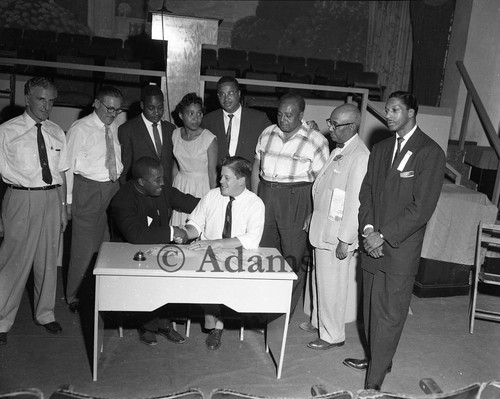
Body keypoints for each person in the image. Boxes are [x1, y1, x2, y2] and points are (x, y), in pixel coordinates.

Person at [343, 92, 445, 391]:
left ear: (412, 113)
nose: (388, 114)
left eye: (395, 110)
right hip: (372, 242)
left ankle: (373, 382)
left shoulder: (429, 152)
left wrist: (383, 235)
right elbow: (368, 193)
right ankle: (378, 358)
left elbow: (422, 207)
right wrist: (369, 228)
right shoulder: (381, 147)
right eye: (387, 109)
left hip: (399, 249)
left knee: (389, 315)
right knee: (370, 311)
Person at [0, 77, 69, 345]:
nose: (47, 106)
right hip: (20, 198)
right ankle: (2, 319)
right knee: (12, 261)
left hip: (51, 199)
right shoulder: (6, 131)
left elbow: (60, 173)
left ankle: (45, 313)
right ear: (27, 97)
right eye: (41, 99)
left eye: (51, 100)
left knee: (48, 260)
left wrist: (62, 208)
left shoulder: (56, 131)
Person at [251, 92, 329, 318]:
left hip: (297, 198)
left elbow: (322, 182)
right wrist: (256, 199)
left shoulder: (316, 140)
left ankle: (282, 314)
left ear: (301, 115)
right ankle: (262, 309)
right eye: (279, 114)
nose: (283, 119)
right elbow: (256, 166)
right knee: (263, 253)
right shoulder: (267, 133)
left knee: (293, 257)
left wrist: (314, 211)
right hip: (266, 194)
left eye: (289, 115)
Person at [110, 156, 199, 346]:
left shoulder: (162, 189)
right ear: (141, 182)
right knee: (151, 276)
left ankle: (164, 324)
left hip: (157, 249)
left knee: (173, 269)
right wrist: (174, 231)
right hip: (129, 254)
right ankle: (148, 325)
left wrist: (219, 202)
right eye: (157, 180)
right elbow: (135, 235)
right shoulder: (122, 200)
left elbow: (191, 203)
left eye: (163, 178)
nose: (163, 183)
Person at [302, 104, 369, 350]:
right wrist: (313, 213)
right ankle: (319, 321)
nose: (329, 128)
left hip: (338, 233)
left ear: (351, 127)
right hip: (323, 226)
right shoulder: (340, 149)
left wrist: (346, 238)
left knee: (333, 285)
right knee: (321, 280)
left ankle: (332, 335)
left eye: (335, 125)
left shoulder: (360, 156)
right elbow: (325, 186)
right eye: (330, 122)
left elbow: (355, 201)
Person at [180, 156, 265, 350]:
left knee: (224, 278)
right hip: (208, 253)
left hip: (239, 254)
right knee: (207, 276)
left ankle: (223, 321)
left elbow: (252, 239)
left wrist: (217, 243)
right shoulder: (211, 196)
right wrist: (184, 234)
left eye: (226, 178)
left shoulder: (255, 203)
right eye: (221, 176)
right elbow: (195, 223)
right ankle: (216, 327)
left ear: (242, 180)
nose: (220, 181)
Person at [65, 85, 124, 314]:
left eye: (117, 110)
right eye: (109, 108)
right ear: (96, 103)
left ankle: (100, 291)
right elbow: (67, 167)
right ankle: (74, 295)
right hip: (88, 189)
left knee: (106, 243)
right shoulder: (80, 129)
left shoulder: (114, 126)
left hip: (112, 187)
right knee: (83, 246)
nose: (112, 113)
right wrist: (68, 201)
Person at [170, 92, 217, 226]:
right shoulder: (175, 134)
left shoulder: (209, 138)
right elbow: (175, 167)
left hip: (201, 187)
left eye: (199, 114)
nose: (196, 118)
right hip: (180, 185)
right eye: (190, 114)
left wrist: (213, 200)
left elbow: (212, 173)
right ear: (181, 115)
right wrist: (171, 192)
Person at [201, 76, 271, 164]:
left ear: (239, 93)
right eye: (222, 94)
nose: (226, 99)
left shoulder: (259, 119)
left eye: (230, 93)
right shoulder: (208, 121)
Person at [118, 84, 176, 186]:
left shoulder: (170, 129)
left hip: (166, 190)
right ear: (142, 105)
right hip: (140, 192)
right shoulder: (127, 129)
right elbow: (124, 170)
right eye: (151, 108)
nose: (156, 112)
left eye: (160, 107)